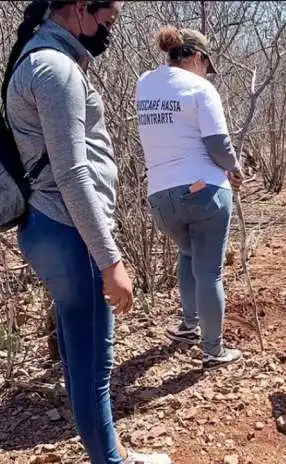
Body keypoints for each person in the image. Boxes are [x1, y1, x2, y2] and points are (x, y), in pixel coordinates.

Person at [4, 1, 170, 463]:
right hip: (68, 231)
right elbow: (73, 173)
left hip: (52, 227)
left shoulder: (40, 57)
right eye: (108, 19)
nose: (109, 30)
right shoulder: (54, 69)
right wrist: (110, 261)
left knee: (81, 355)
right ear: (79, 9)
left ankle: (108, 452)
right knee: (93, 363)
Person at [135, 25, 244, 370]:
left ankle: (189, 325)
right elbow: (218, 146)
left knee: (187, 253)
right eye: (206, 64)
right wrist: (235, 169)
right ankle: (213, 351)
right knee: (209, 271)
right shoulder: (201, 88)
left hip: (161, 198)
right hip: (203, 192)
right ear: (197, 57)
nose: (206, 71)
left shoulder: (144, 83)